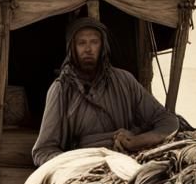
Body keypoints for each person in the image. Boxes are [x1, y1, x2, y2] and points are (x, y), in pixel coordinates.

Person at [32, 16, 179, 167]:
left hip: (127, 161)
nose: (88, 49)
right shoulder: (61, 90)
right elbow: (43, 150)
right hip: (83, 169)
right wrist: (78, 164)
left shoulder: (125, 80)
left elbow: (167, 120)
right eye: (81, 43)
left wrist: (136, 141)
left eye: (94, 42)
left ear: (103, 46)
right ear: (72, 48)